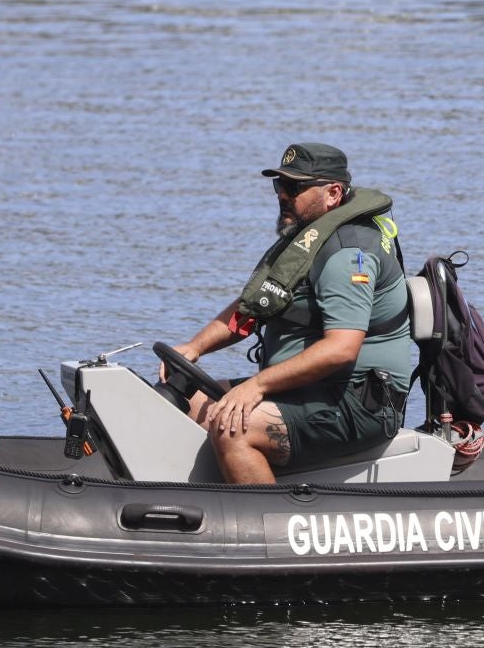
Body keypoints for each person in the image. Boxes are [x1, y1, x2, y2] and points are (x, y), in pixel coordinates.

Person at [167, 142, 413, 484]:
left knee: (232, 428)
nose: (283, 194)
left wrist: (256, 386)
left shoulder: (346, 256)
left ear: (333, 193)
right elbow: (257, 303)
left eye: (295, 187)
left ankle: (263, 513)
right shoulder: (308, 236)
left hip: (356, 402)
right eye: (279, 184)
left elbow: (342, 349)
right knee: (186, 400)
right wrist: (194, 348)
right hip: (308, 388)